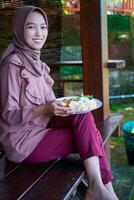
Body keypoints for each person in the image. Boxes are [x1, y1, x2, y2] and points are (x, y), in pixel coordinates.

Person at [0, 5, 119, 200]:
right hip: (23, 141)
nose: (39, 33)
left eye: (43, 27)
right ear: (20, 29)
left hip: (42, 126)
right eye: (31, 27)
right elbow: (9, 116)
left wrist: (65, 106)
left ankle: (101, 188)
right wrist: (46, 108)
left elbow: (48, 105)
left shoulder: (36, 63)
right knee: (90, 138)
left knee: (84, 117)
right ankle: (101, 189)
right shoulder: (11, 66)